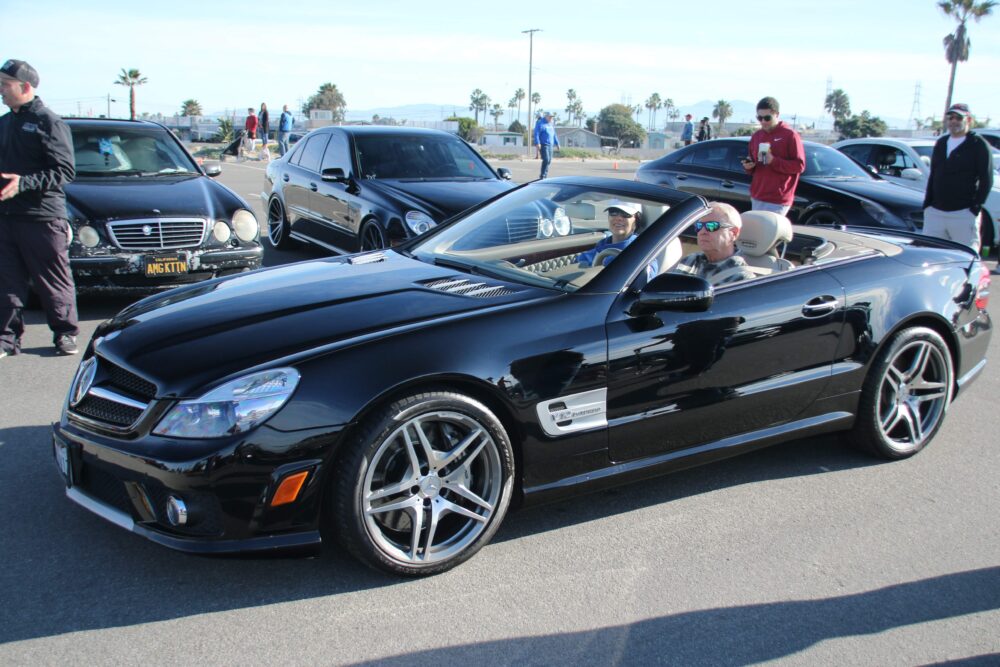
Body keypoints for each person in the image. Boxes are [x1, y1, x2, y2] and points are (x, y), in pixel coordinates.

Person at [0, 58, 79, 358]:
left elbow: (64, 171)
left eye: (5, 85)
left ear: (26, 86)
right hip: (7, 216)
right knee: (6, 281)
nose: (1, 91)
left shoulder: (49, 122)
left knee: (53, 280)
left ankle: (64, 334)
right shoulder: (5, 123)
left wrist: (24, 183)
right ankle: (6, 339)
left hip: (42, 216)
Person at [922, 103, 994, 256]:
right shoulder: (941, 143)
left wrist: (974, 208)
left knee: (965, 257)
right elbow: (934, 174)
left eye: (958, 118)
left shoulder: (978, 145)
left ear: (968, 120)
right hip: (935, 212)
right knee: (931, 255)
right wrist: (928, 205)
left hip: (962, 213)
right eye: (951, 117)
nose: (954, 121)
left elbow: (986, 179)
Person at [741, 96, 805, 216]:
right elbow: (753, 163)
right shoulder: (757, 136)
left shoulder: (790, 135)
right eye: (760, 118)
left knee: (769, 233)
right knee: (757, 233)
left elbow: (799, 166)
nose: (763, 121)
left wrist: (773, 161)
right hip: (757, 195)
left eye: (767, 118)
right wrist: (749, 166)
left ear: (777, 114)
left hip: (778, 199)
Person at [673, 201, 754, 285]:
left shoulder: (742, 278)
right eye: (699, 226)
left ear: (733, 233)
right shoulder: (690, 260)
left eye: (711, 226)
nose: (702, 232)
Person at [577, 200, 657, 277]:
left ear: (637, 220)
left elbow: (645, 279)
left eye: (625, 214)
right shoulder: (601, 246)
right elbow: (577, 264)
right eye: (613, 212)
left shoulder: (643, 251)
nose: (618, 218)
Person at [533, 111, 560, 179]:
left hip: (550, 145)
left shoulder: (550, 124)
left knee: (549, 160)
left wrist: (557, 143)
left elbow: (554, 134)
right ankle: (542, 176)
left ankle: (545, 175)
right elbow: (536, 133)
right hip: (543, 144)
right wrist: (537, 142)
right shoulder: (540, 123)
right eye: (550, 117)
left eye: (552, 117)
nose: (551, 118)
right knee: (546, 159)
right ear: (546, 116)